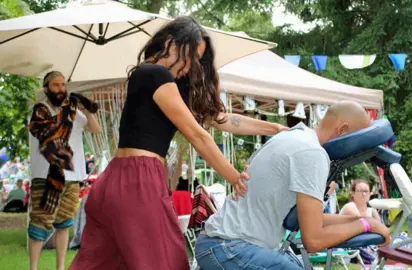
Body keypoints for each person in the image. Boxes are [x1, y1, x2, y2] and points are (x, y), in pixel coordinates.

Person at [70, 16, 287, 270]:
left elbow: (222, 119)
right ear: (172, 44)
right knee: (169, 263)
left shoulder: (151, 79)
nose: (191, 65)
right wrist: (235, 177)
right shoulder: (157, 74)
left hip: (113, 182)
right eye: (190, 56)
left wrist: (276, 128)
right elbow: (197, 135)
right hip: (139, 182)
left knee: (100, 264)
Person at [195, 101, 391, 269]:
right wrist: (364, 224)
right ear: (343, 130)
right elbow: (314, 240)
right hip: (229, 247)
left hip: (220, 242)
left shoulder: (294, 137)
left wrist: (365, 222)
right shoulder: (312, 153)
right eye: (359, 141)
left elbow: (313, 221)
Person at [28, 71, 101, 270]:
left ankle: (61, 268)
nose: (61, 88)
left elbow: (95, 129)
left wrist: (86, 110)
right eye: (56, 85)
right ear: (46, 88)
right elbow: (45, 133)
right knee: (39, 225)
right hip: (45, 176)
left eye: (62, 85)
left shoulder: (74, 112)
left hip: (73, 176)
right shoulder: (39, 111)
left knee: (64, 223)